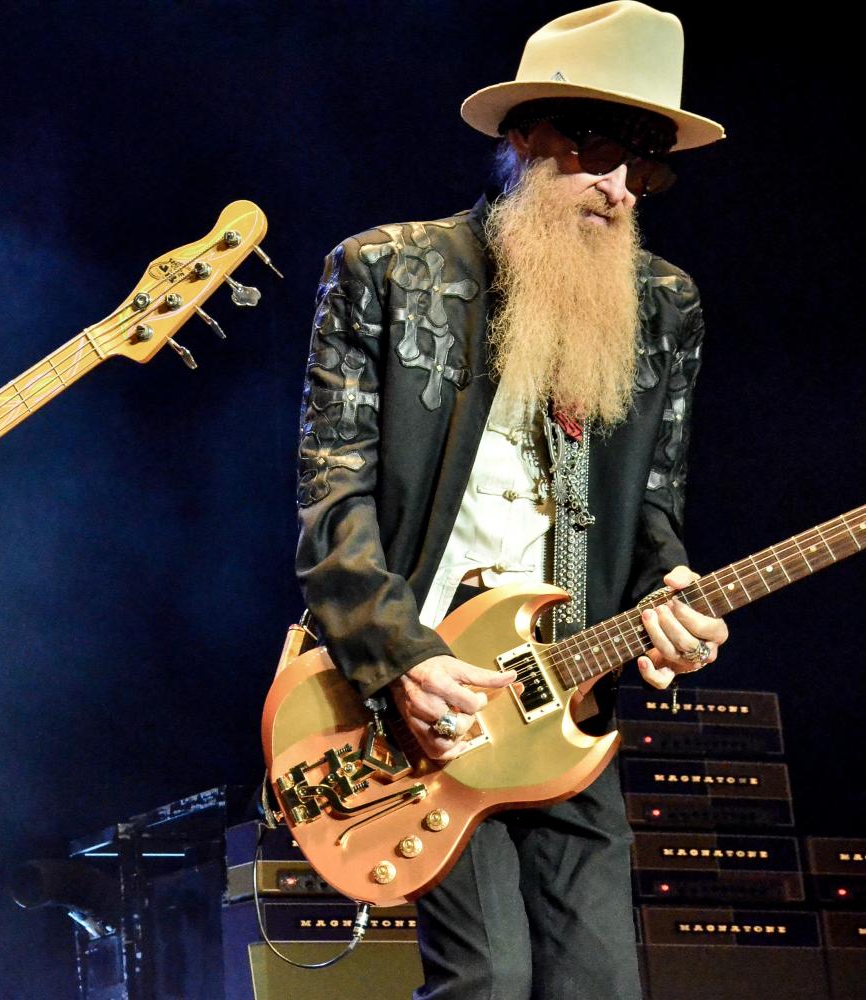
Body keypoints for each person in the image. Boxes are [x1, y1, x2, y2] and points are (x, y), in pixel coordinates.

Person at [295, 4, 731, 997]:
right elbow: (332, 503)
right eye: (602, 152)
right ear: (522, 137)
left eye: (647, 168)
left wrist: (670, 588)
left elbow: (657, 505)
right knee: (488, 976)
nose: (621, 190)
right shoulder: (385, 272)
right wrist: (401, 658)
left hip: (571, 694)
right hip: (423, 699)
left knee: (601, 984)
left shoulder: (665, 307)